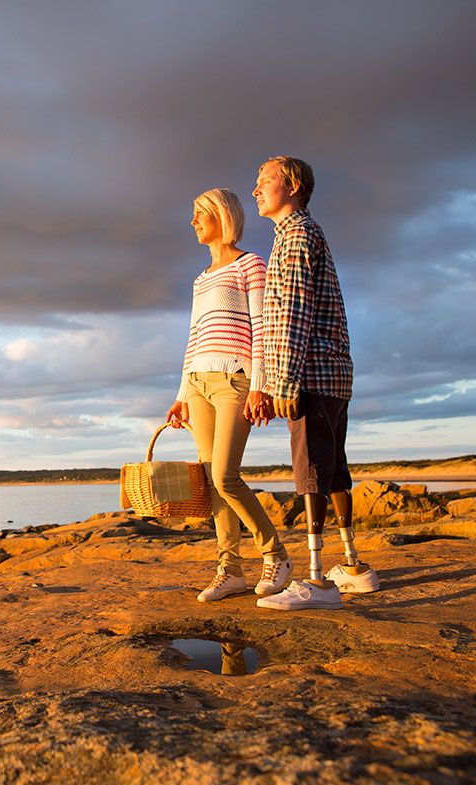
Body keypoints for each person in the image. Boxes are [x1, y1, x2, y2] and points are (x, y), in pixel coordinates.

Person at [252, 156, 380, 611]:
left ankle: (316, 582)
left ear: (291, 184)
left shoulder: (295, 235)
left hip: (310, 374)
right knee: (334, 466)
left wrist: (281, 382)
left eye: (264, 181)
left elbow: (292, 315)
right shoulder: (308, 232)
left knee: (310, 470)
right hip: (334, 372)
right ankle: (351, 566)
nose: (256, 190)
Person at [166, 188, 291, 602]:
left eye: (199, 214)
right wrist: (182, 393)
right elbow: (194, 336)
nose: (193, 222)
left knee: (225, 475)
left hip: (236, 380)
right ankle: (230, 569)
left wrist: (261, 386)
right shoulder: (201, 279)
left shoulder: (250, 263)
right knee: (211, 481)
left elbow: (263, 328)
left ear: (221, 216)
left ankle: (275, 556)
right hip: (199, 383)